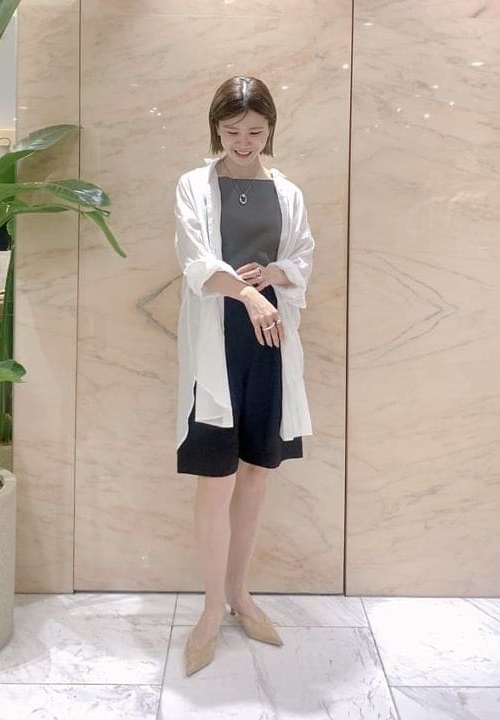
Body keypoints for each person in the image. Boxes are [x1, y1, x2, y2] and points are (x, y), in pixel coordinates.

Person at [173, 75, 315, 676]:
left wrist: (273, 276)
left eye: (256, 131)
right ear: (216, 129)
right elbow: (195, 262)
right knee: (216, 479)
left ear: (270, 130)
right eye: (232, 130)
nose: (244, 141)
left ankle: (239, 594)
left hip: (270, 346)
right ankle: (210, 610)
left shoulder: (287, 192)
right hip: (219, 343)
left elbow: (302, 256)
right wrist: (249, 295)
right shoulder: (194, 185)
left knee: (256, 473)